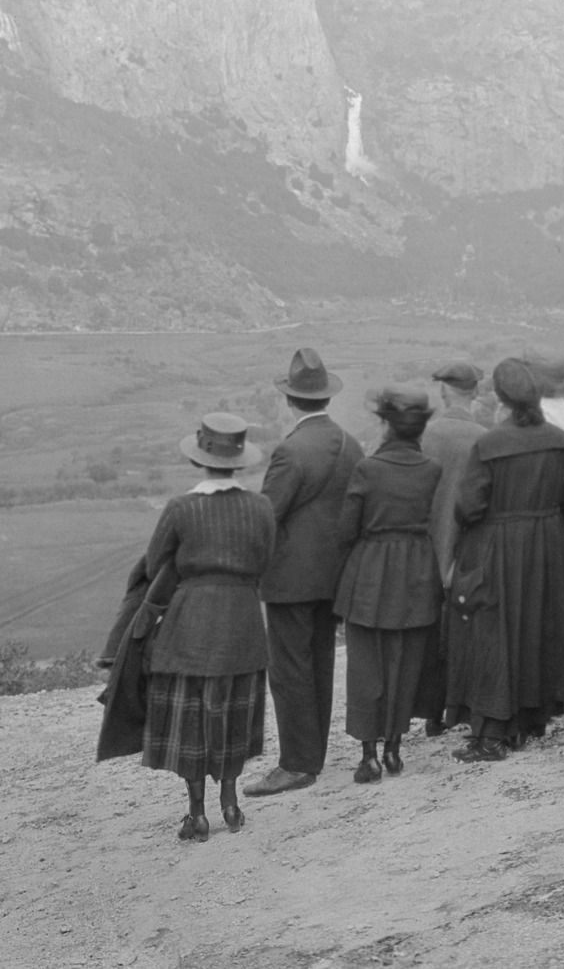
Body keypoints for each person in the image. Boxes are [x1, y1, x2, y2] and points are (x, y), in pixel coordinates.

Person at [443, 358, 564, 760]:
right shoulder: (559, 439)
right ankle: (531, 719)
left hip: (499, 542)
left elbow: (468, 506)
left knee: (495, 631)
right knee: (538, 626)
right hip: (549, 541)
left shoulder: (490, 443)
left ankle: (493, 734)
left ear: (499, 397)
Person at [129, 414, 273, 840]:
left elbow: (156, 565)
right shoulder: (260, 506)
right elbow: (266, 561)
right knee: (233, 713)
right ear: (239, 461)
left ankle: (197, 815)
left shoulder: (181, 508)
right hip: (244, 623)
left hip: (190, 624)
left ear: (200, 460)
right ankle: (230, 802)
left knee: (191, 721)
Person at [247, 348, 364, 796]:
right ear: (325, 398)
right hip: (333, 577)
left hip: (290, 581)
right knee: (318, 664)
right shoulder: (350, 444)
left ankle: (297, 763)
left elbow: (266, 516)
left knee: (289, 668)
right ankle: (309, 757)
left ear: (290, 400)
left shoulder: (291, 451)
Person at [333, 386, 444, 782]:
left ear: (385, 424)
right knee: (405, 663)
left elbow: (347, 529)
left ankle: (369, 758)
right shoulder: (431, 469)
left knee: (366, 666)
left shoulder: (368, 469)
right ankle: (395, 750)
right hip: (416, 570)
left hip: (372, 570)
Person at [415, 361, 492, 733]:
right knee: (464, 626)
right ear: (475, 392)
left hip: (428, 543)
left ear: (444, 391)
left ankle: (431, 711)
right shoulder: (485, 437)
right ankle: (458, 706)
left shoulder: (427, 436)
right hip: (470, 544)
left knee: (430, 629)